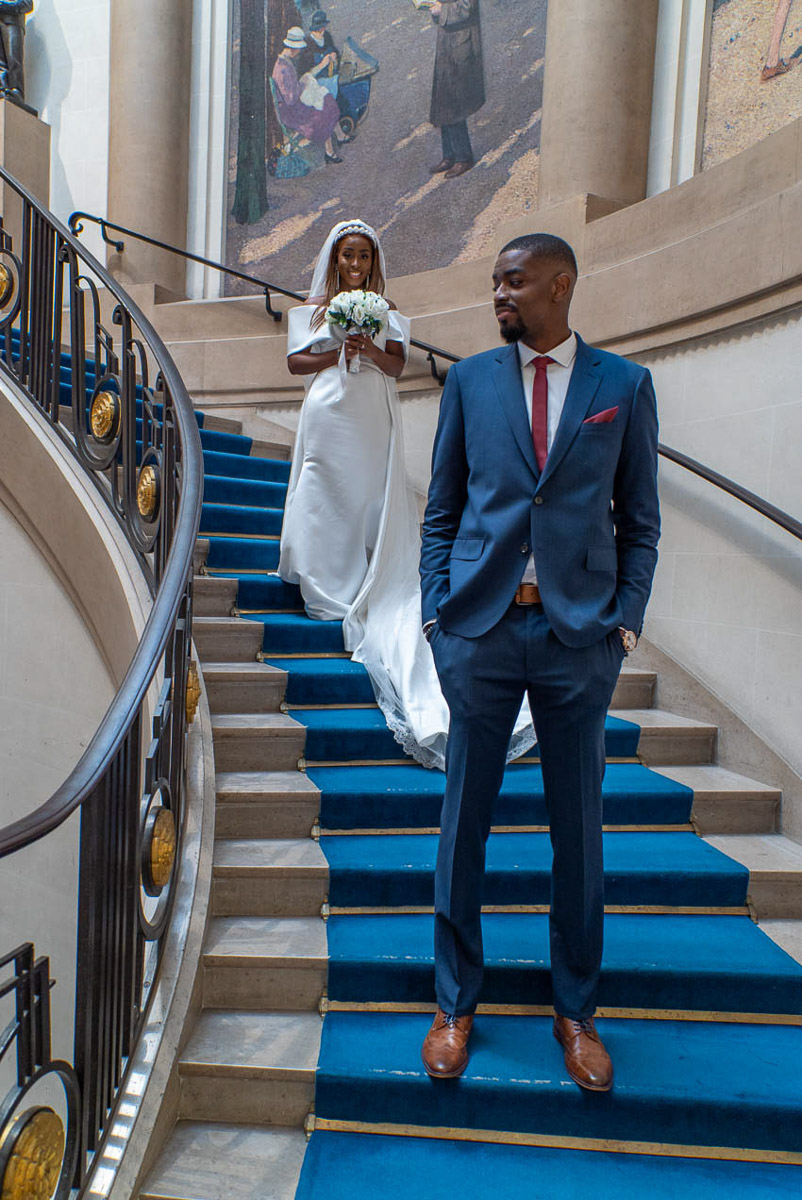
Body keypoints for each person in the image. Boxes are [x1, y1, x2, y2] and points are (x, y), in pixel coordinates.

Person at [419, 233, 660, 1089]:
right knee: (463, 828)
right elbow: (442, 509)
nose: (499, 296)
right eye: (494, 283)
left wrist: (622, 625)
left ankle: (576, 1010)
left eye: (513, 282)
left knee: (580, 837)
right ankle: (454, 1004)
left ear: (561, 286)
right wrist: (435, 621)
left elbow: (641, 519)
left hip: (576, 641)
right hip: (481, 633)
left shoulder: (623, 387)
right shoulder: (472, 381)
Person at [279, 220, 535, 769]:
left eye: (364, 256)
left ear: (373, 261)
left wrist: (368, 345)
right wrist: (337, 351)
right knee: (323, 489)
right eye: (348, 256)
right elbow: (296, 362)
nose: (356, 264)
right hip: (329, 408)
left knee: (366, 494)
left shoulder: (387, 308)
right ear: (335, 258)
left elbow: (396, 366)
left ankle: (364, 581)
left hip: (371, 410)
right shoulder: (312, 309)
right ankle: (327, 586)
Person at [428, 0, 485, 179]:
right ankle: (450, 154)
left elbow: (467, 7)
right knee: (444, 99)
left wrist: (442, 10)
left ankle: (463, 157)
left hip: (461, 41)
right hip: (448, 39)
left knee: (454, 102)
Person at [271, 27, 342, 164]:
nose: (299, 53)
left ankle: (333, 144)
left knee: (325, 101)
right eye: (298, 49)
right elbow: (290, 99)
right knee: (323, 109)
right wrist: (303, 84)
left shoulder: (285, 62)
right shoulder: (283, 69)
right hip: (289, 111)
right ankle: (330, 151)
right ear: (292, 48)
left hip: (292, 105)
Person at [0, 0, 33, 102]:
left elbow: (27, 4)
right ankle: (3, 87)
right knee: (1, 63)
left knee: (14, 59)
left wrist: (4, 6)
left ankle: (16, 91)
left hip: (13, 22)